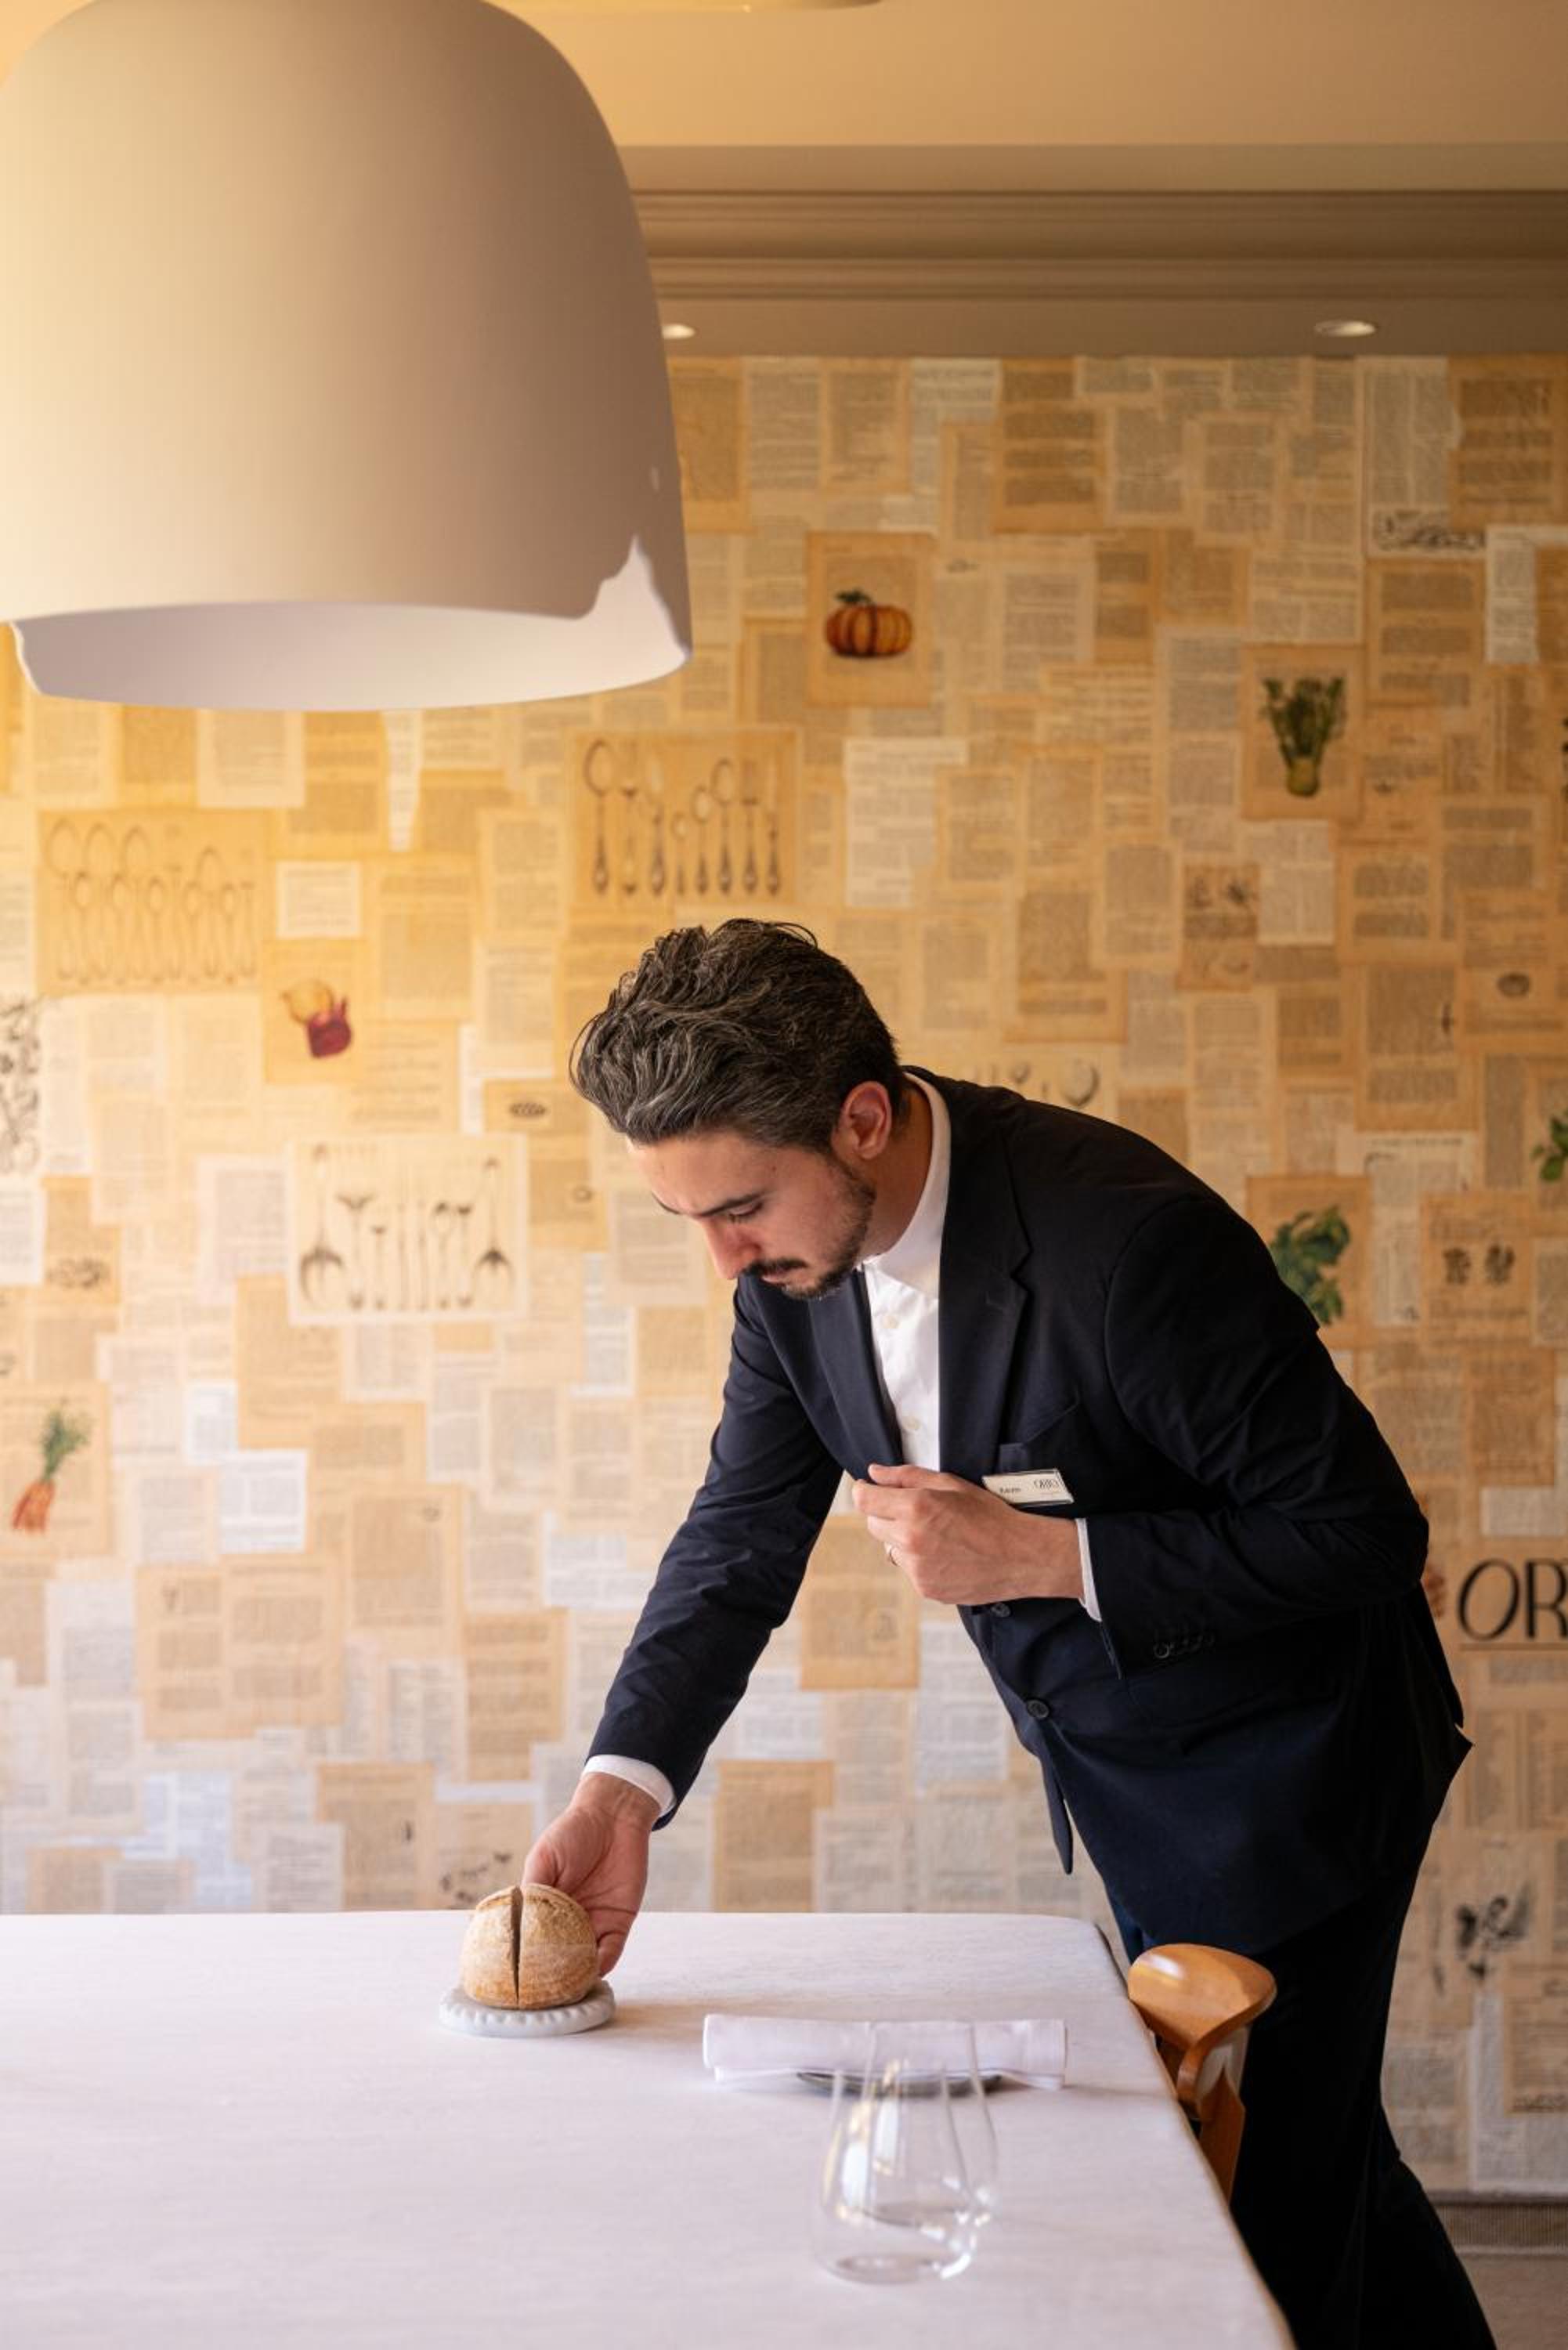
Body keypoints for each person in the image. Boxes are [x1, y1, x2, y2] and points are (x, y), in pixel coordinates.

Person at [523, 918, 1492, 2350]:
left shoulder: (1128, 1245)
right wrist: (622, 1790)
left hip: (1288, 1774)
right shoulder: (785, 1282)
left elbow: (1361, 1533)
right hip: (1119, 1765)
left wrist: (1046, 1556)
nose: (723, 1257)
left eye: (741, 1207)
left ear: (862, 1121)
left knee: (1259, 2202)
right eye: (692, 1221)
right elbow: (737, 1536)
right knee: (1311, 2149)